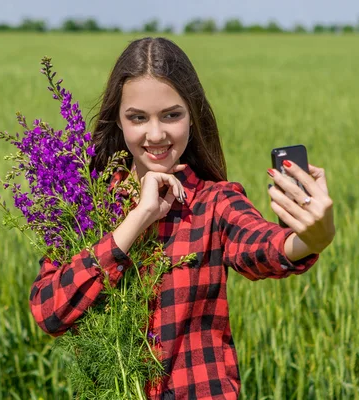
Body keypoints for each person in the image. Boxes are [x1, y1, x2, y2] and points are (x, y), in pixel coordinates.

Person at [29, 37, 335, 400]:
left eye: (171, 115)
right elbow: (49, 312)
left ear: (193, 116)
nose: (155, 134)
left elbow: (261, 244)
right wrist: (137, 219)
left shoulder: (214, 202)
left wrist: (311, 238)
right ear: (119, 120)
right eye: (137, 118)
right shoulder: (86, 209)